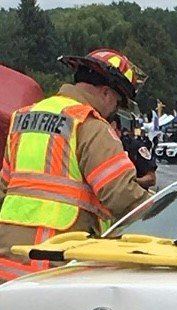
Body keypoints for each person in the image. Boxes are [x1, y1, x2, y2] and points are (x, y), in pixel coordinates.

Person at [0, 48, 150, 282]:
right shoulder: (89, 124)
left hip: (8, 263)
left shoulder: (23, 117)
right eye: (118, 104)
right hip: (53, 266)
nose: (114, 112)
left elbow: (4, 187)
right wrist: (163, 210)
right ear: (107, 94)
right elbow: (121, 195)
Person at [112, 114, 157, 189]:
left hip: (134, 197)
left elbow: (151, 179)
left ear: (113, 126)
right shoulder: (104, 148)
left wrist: (132, 182)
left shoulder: (135, 147)